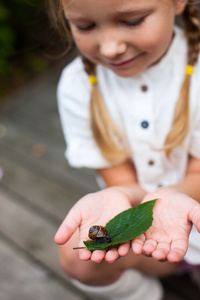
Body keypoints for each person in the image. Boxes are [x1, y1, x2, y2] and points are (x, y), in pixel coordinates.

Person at [48, 0, 200, 299]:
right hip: (147, 241)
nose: (109, 48)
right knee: (76, 258)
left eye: (133, 20)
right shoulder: (77, 85)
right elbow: (121, 179)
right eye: (86, 26)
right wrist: (123, 197)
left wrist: (172, 195)